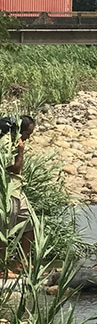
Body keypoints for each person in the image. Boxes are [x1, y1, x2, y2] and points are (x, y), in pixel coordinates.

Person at [2, 116, 37, 272]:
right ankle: (2, 268)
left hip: (17, 188)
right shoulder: (7, 143)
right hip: (8, 190)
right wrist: (21, 151)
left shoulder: (15, 141)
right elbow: (14, 168)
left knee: (29, 224)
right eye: (27, 133)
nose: (28, 137)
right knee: (4, 229)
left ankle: (22, 261)